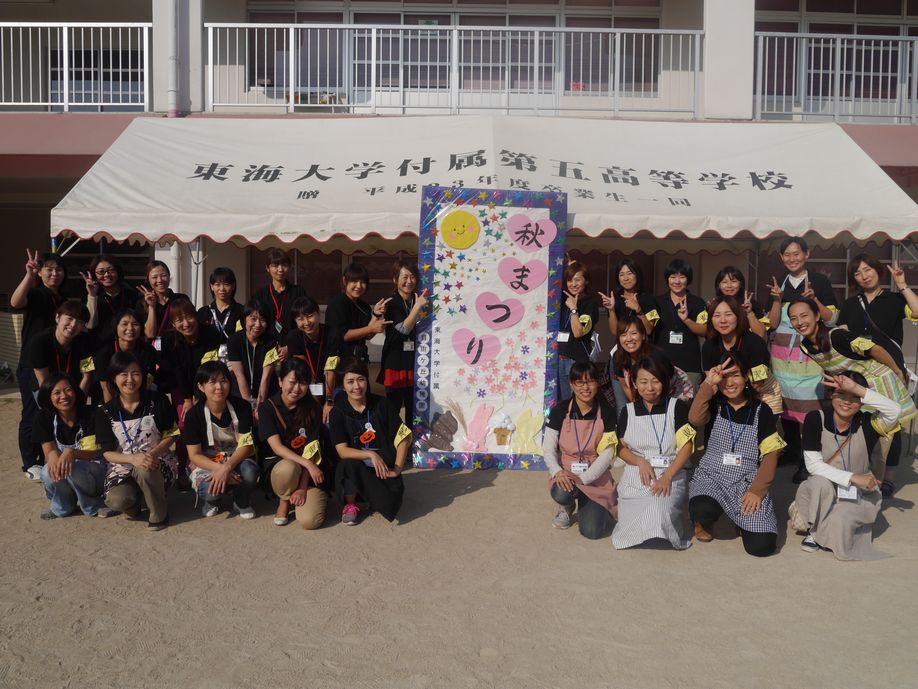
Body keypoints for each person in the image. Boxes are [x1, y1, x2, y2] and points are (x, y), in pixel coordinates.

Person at [789, 296, 916, 486]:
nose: (799, 322)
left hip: (878, 383)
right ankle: (857, 477)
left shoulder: (838, 336)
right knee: (860, 434)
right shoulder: (805, 346)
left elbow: (876, 350)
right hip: (852, 389)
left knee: (887, 432)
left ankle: (884, 480)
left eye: (804, 315)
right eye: (794, 318)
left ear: (817, 316)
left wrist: (898, 371)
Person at [788, 373, 896, 560]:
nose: (847, 401)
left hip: (858, 493)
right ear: (831, 394)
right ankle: (814, 531)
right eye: (841, 394)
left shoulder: (869, 423)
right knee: (819, 482)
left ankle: (824, 526)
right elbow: (813, 466)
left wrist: (858, 389)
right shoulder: (816, 418)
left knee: (841, 518)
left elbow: (895, 410)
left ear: (862, 400)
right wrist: (852, 477)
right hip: (823, 490)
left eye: (854, 396)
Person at [688, 351, 786, 557]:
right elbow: (695, 419)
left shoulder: (762, 410)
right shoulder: (714, 403)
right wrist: (708, 385)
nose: (730, 383)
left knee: (762, 547)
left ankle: (741, 521)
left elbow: (770, 455)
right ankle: (704, 522)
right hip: (712, 476)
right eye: (724, 377)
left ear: (746, 376)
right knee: (702, 508)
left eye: (735, 375)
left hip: (746, 481)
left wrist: (757, 490)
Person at [837, 254, 918, 496]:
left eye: (868, 269)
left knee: (891, 423)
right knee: (860, 420)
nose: (864, 276)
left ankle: (887, 477)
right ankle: (861, 471)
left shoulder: (894, 299)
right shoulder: (850, 304)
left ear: (877, 270)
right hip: (860, 372)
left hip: (891, 371)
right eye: (858, 273)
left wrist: (902, 284)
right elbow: (842, 335)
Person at [766, 236, 838, 481]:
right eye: (787, 254)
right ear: (781, 258)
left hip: (809, 357)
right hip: (782, 358)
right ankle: (792, 451)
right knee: (786, 406)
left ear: (807, 254)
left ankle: (809, 461)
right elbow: (772, 323)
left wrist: (814, 298)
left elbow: (831, 318)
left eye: (796, 253)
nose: (792, 258)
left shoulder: (820, 281)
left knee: (810, 411)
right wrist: (777, 300)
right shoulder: (778, 284)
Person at [613, 356, 694, 550]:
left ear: (664, 382)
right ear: (634, 383)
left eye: (655, 381)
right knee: (631, 518)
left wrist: (667, 476)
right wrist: (640, 461)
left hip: (670, 471)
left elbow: (687, 447)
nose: (649, 387)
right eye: (643, 382)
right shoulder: (628, 411)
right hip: (638, 472)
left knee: (658, 508)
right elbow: (620, 447)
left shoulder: (677, 407)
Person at [95, 352, 179, 531]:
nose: (130, 379)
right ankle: (135, 504)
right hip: (123, 465)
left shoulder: (157, 400)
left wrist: (151, 454)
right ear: (114, 378)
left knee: (145, 469)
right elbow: (107, 453)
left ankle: (159, 514)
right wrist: (133, 459)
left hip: (157, 460)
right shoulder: (105, 411)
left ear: (142, 376)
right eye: (123, 374)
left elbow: (172, 434)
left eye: (135, 373)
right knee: (117, 500)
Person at [329, 358, 411, 526]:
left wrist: (397, 468)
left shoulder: (382, 404)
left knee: (390, 504)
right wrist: (370, 454)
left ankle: (370, 497)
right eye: (350, 382)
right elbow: (342, 451)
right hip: (356, 468)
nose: (357, 386)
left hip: (384, 469)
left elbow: (403, 436)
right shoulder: (337, 412)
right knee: (347, 464)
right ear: (342, 386)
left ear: (367, 380)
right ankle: (351, 503)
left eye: (361, 379)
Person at [542, 361, 618, 539]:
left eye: (590, 381)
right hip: (567, 473)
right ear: (571, 384)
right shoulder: (560, 410)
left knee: (592, 532)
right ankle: (566, 506)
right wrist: (558, 472)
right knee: (561, 493)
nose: (585, 387)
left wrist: (584, 478)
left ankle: (593, 504)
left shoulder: (607, 412)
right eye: (579, 382)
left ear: (598, 382)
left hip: (595, 476)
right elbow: (548, 449)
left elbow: (607, 454)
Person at [11, 249, 66, 480]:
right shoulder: (36, 294)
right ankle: (30, 462)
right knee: (32, 412)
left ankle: (49, 455)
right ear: (41, 272)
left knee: (53, 412)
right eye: (49, 269)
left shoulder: (63, 298)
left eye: (59, 269)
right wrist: (29, 275)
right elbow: (15, 302)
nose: (54, 273)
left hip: (55, 364)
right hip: (31, 364)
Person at [257, 358, 330, 530]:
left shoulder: (313, 408)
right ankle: (284, 501)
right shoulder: (267, 408)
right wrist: (307, 464)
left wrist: (303, 487)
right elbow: (277, 447)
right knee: (288, 467)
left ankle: (302, 495)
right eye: (292, 382)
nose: (297, 389)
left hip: (308, 472)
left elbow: (312, 450)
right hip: (282, 469)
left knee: (310, 521)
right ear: (280, 381)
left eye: (303, 383)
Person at [182, 361, 259, 519]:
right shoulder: (193, 415)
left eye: (223, 381)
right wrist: (219, 469)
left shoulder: (242, 407)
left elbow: (246, 446)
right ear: (201, 386)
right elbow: (194, 455)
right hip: (207, 462)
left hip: (236, 458)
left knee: (250, 472)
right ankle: (212, 501)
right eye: (212, 382)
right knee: (207, 489)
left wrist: (227, 468)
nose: (219, 387)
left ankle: (241, 500)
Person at [33, 372, 109, 520]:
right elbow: (49, 450)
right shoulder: (43, 417)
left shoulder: (92, 414)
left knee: (73, 467)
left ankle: (93, 505)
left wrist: (72, 453)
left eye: (68, 390)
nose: (63, 396)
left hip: (94, 470)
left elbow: (94, 453)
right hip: (68, 470)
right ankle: (63, 506)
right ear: (48, 397)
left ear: (75, 391)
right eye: (56, 393)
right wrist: (53, 455)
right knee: (47, 471)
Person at [701, 295, 782, 416]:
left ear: (738, 316)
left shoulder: (755, 343)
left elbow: (758, 383)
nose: (723, 320)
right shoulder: (708, 346)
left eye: (728, 314)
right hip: (728, 392)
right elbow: (711, 382)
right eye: (717, 315)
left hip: (763, 394)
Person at [379, 261, 428, 423]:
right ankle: (392, 438)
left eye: (412, 277)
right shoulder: (391, 303)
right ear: (395, 279)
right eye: (405, 277)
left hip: (415, 361)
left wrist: (418, 304)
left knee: (413, 407)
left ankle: (412, 438)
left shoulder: (417, 299)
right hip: (395, 362)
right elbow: (403, 329)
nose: (409, 281)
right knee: (394, 408)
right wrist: (417, 307)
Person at [649, 259, 707, 391]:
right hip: (661, 364)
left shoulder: (698, 303)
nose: (677, 281)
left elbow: (704, 330)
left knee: (688, 401)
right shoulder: (657, 302)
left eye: (682, 277)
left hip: (690, 365)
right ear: (667, 279)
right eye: (673, 277)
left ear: (688, 279)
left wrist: (686, 320)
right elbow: (648, 328)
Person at [611, 314, 694, 405]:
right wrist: (637, 405)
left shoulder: (655, 356)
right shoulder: (618, 357)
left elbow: (663, 386)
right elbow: (626, 387)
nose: (629, 339)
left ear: (643, 335)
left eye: (634, 333)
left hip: (675, 394)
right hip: (647, 397)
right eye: (623, 335)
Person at [26, 299, 95, 398]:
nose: (73, 325)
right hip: (45, 388)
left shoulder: (85, 342)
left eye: (80, 322)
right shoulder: (39, 342)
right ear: (57, 317)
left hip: (73, 388)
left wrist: (79, 401)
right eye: (70, 318)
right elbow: (43, 381)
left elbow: (86, 377)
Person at [325, 262, 390, 364]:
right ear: (345, 281)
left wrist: (376, 315)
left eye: (363, 282)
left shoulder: (364, 306)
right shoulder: (336, 304)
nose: (359, 286)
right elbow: (343, 335)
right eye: (354, 281)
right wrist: (372, 328)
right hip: (337, 359)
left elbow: (368, 336)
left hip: (359, 359)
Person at [92, 307, 158, 403]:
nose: (130, 328)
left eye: (135, 324)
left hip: (140, 398)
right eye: (125, 324)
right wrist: (112, 410)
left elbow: (149, 379)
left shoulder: (148, 351)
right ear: (116, 327)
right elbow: (106, 387)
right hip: (110, 400)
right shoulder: (104, 353)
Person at [285, 296, 336, 420]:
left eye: (309, 316)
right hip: (306, 383)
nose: (306, 323)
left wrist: (329, 401)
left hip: (332, 384)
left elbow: (331, 369)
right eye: (300, 319)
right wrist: (315, 401)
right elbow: (304, 370)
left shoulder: (333, 334)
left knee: (331, 415)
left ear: (319, 314)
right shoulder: (294, 337)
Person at [227, 300, 280, 416]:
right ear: (244, 319)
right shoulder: (234, 341)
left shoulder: (271, 342)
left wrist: (260, 406)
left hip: (267, 393)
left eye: (262, 320)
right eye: (253, 319)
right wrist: (249, 406)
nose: (258, 324)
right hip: (239, 394)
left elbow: (266, 377)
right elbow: (239, 375)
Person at [556, 260, 599, 401]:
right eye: (569, 280)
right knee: (562, 402)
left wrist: (574, 309)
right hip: (558, 359)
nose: (573, 284)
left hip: (576, 361)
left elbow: (578, 332)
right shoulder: (562, 298)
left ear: (586, 281)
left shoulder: (590, 303)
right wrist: (563, 264)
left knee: (576, 401)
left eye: (577, 280)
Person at [82, 254, 140, 339]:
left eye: (111, 270)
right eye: (101, 272)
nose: (106, 275)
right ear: (94, 275)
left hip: (125, 342)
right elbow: (90, 325)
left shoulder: (130, 294)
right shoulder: (89, 295)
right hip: (99, 343)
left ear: (118, 271)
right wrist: (92, 295)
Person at [251, 248, 306, 338]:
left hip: (293, 341)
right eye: (275, 265)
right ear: (267, 268)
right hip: (266, 342)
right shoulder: (260, 294)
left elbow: (304, 318)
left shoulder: (298, 292)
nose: (280, 269)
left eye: (284, 265)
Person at [138, 260, 190, 347]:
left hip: (179, 347)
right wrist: (151, 306)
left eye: (164, 276)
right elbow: (150, 334)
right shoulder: (142, 303)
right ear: (148, 280)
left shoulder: (181, 299)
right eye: (154, 277)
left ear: (169, 277)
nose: (160, 280)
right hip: (153, 350)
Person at [713, 265, 768, 338]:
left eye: (734, 281)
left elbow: (760, 334)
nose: (729, 285)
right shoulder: (714, 304)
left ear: (740, 284)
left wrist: (749, 312)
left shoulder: (751, 304)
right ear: (719, 285)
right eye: (724, 282)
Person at [197, 267, 244, 343]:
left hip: (234, 350)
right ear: (212, 287)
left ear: (233, 286)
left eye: (226, 284)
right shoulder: (203, 312)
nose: (222, 289)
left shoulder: (241, 311)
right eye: (217, 285)